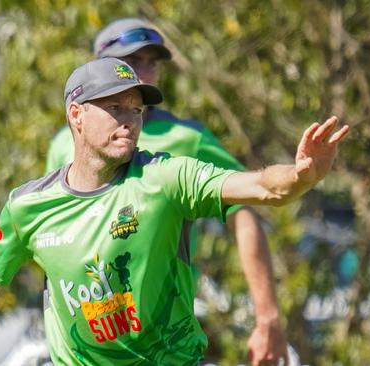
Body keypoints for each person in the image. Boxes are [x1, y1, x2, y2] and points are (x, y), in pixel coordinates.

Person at [0, 57, 349, 365]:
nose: (129, 120)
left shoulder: (166, 179)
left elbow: (260, 187)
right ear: (76, 115)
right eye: (114, 108)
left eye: (136, 109)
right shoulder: (28, 207)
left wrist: (302, 177)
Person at [45, 17, 287, 364]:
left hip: (163, 339)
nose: (144, 71)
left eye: (152, 62)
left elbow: (243, 211)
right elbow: (47, 231)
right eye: (132, 61)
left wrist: (268, 318)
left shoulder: (187, 139)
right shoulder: (61, 146)